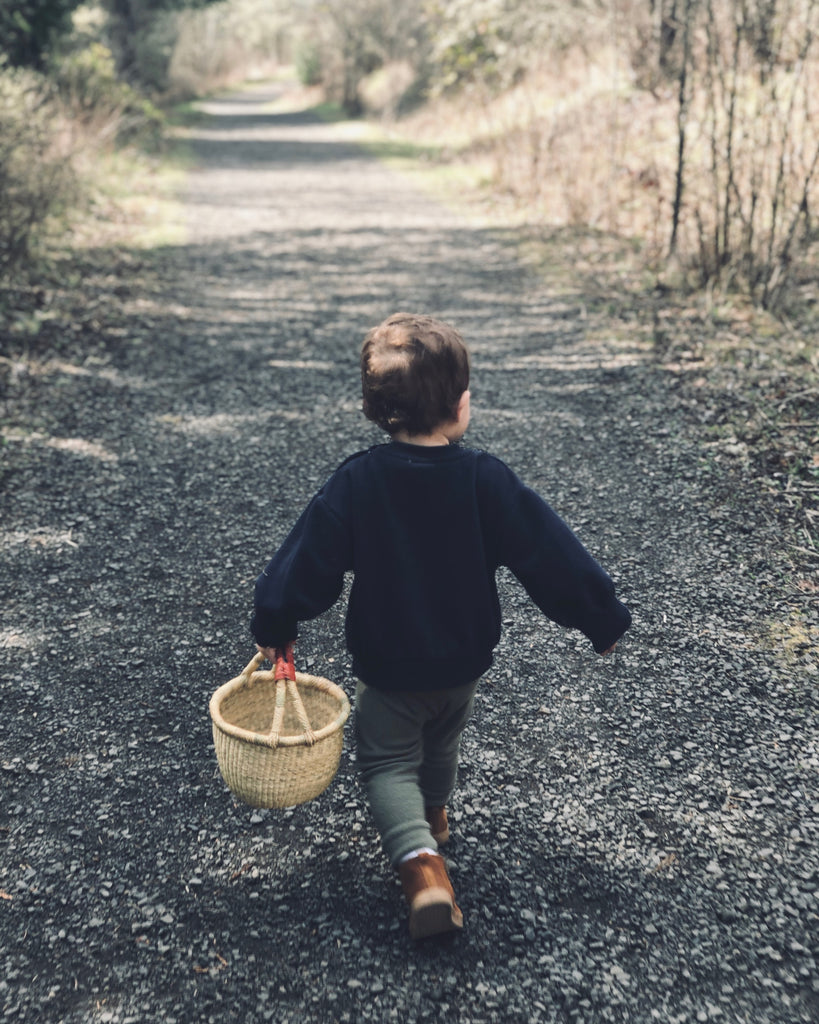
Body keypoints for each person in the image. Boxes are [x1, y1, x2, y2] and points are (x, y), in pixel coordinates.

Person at [251, 312, 631, 940]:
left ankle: (423, 869)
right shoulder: (486, 479)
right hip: (462, 661)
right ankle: (435, 815)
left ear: (377, 410)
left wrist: (276, 618)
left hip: (390, 665)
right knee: (442, 740)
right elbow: (550, 553)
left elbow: (305, 560)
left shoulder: (358, 481)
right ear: (459, 407)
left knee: (386, 764)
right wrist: (601, 617)